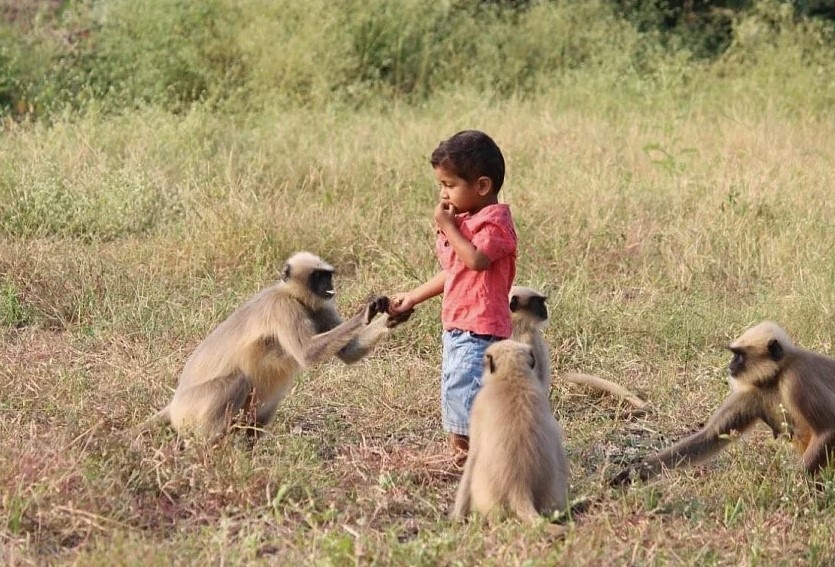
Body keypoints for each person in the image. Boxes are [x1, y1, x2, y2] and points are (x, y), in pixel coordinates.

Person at [389, 130, 517, 467]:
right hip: (460, 329)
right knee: (457, 394)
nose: (442, 194)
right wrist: (413, 297)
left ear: (482, 186)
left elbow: (476, 260)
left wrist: (448, 227)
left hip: (480, 332)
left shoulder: (495, 223)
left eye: (448, 185)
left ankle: (468, 463)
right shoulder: (468, 222)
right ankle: (466, 458)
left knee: (465, 397)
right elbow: (456, 272)